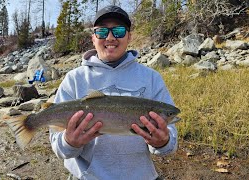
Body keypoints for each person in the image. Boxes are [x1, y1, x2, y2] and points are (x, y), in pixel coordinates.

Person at [49, 5, 178, 180]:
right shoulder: (74, 79)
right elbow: (59, 148)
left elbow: (169, 146)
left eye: (118, 31)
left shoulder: (151, 78)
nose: (110, 37)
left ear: (129, 36)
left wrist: (163, 142)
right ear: (93, 38)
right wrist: (69, 142)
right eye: (102, 32)